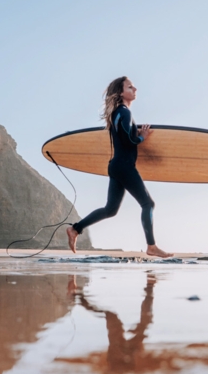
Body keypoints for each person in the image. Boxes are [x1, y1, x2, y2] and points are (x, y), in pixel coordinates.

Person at [66, 77, 173, 258]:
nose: (135, 88)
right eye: (130, 87)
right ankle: (151, 246)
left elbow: (123, 136)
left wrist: (135, 131)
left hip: (116, 166)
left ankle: (75, 229)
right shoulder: (124, 112)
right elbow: (128, 141)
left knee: (110, 210)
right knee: (148, 204)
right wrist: (142, 137)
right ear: (121, 93)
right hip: (123, 166)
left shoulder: (117, 113)